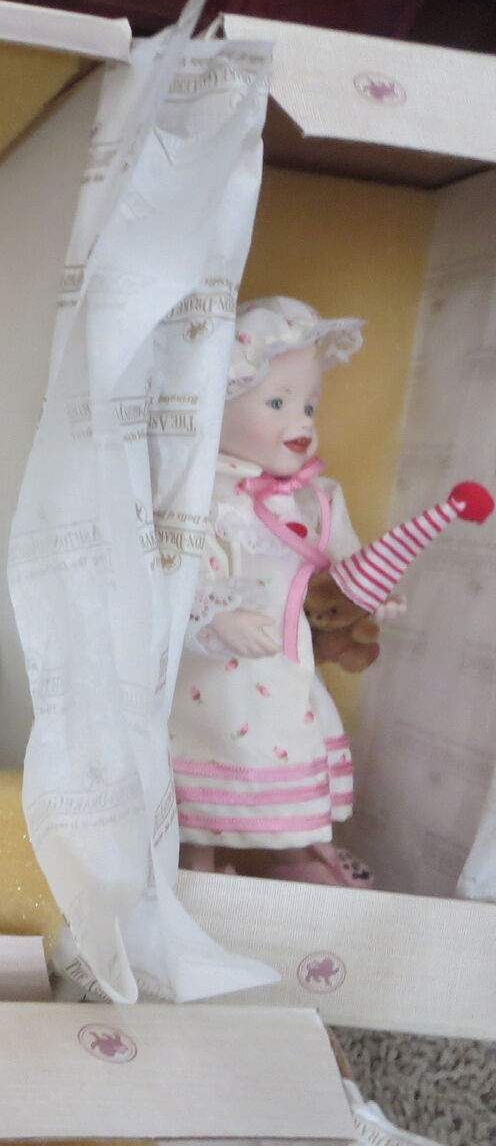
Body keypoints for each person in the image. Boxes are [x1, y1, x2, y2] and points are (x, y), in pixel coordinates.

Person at [170, 297, 398, 887]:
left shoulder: (314, 497)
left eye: (308, 405)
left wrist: (372, 591)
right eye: (277, 403)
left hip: (286, 668)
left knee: (287, 745)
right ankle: (196, 864)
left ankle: (300, 857)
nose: (302, 421)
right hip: (211, 676)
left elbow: (343, 564)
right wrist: (216, 618)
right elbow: (176, 571)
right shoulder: (199, 495)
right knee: (208, 753)